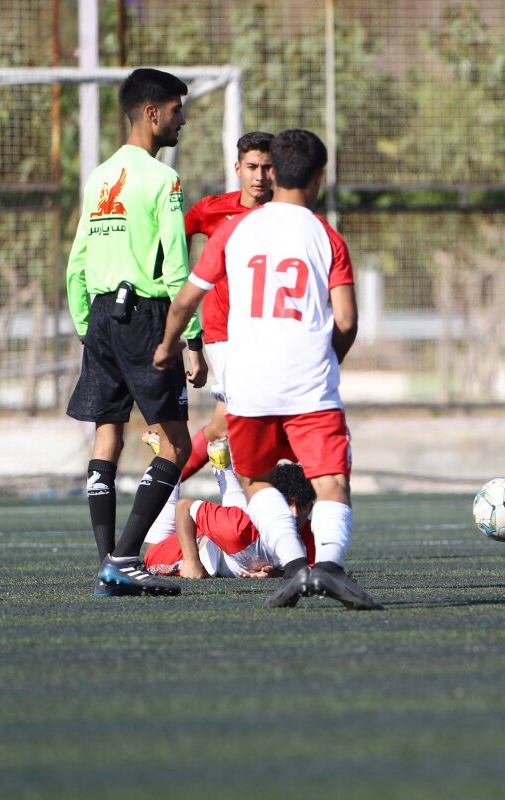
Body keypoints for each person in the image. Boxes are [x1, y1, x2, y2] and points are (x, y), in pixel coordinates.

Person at [153, 128, 382, 610]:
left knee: (255, 479)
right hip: (310, 383)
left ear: (273, 173)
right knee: (331, 479)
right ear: (319, 177)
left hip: (249, 383)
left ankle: (295, 569)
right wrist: (331, 361)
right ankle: (329, 569)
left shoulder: (235, 230)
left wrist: (169, 346)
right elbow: (346, 321)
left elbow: (186, 300)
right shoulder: (327, 237)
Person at [65, 67, 206, 598]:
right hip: (145, 316)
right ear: (152, 113)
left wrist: (88, 324)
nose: (182, 119)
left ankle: (108, 563)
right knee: (177, 443)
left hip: (101, 315)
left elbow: (77, 264)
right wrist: (191, 338)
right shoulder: (163, 179)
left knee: (108, 433)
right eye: (176, 109)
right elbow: (176, 269)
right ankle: (125, 558)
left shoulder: (99, 177)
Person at [165, 130, 276, 481]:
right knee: (244, 415)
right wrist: (173, 280)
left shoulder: (285, 214)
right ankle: (250, 501)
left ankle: (164, 485)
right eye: (252, 167)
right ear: (238, 168)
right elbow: (176, 239)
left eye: (267, 167)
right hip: (222, 330)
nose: (260, 176)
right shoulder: (213, 209)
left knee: (222, 423)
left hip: (269, 331)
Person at [144, 462, 316, 580]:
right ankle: (169, 466)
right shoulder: (238, 529)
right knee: (150, 557)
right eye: (287, 503)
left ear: (310, 507)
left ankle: (223, 464)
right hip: (201, 545)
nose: (294, 514)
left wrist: (277, 573)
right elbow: (184, 507)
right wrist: (191, 560)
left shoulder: (315, 537)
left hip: (233, 535)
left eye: (301, 505)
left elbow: (312, 571)